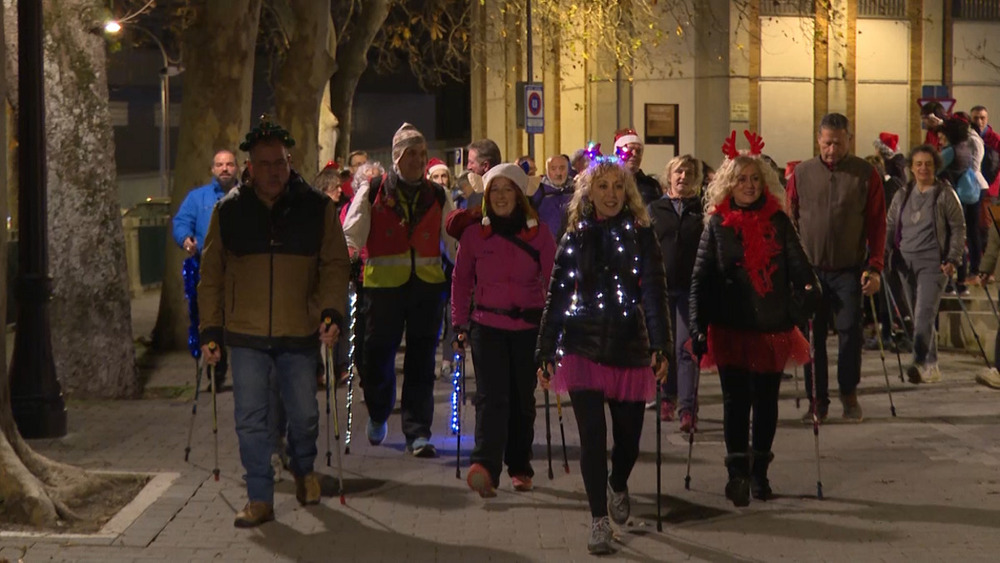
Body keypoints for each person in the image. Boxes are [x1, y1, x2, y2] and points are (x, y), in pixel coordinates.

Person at [199, 117, 350, 527]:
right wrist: (210, 330)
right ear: (249, 166)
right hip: (245, 334)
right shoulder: (227, 212)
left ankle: (303, 468)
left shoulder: (317, 208)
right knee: (251, 418)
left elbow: (336, 264)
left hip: (298, 331)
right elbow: (210, 274)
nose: (273, 171)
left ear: (290, 161)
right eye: (264, 164)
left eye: (279, 163)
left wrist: (332, 310)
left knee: (303, 415)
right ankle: (260, 496)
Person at [536, 158, 670, 555]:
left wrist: (659, 344)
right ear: (589, 193)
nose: (611, 194)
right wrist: (545, 348)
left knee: (627, 439)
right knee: (592, 438)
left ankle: (619, 481)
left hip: (629, 345)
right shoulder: (576, 235)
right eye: (603, 187)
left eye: (617, 186)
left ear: (626, 192)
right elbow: (557, 294)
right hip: (582, 346)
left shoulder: (643, 235)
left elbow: (654, 293)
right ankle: (598, 519)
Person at [690, 148, 819, 507]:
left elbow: (801, 270)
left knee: (765, 403)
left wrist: (804, 302)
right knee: (735, 403)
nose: (748, 186)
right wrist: (697, 326)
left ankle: (760, 470)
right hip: (731, 326)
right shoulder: (717, 225)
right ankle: (737, 474)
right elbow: (700, 279)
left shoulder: (778, 221)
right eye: (741, 179)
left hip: (771, 327)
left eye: (755, 179)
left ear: (765, 183)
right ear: (729, 184)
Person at [343, 123, 457, 458]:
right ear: (397, 157)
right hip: (382, 289)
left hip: (427, 287)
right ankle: (379, 410)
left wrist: (465, 263)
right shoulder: (374, 189)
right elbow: (352, 234)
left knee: (422, 361)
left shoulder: (437, 194)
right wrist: (346, 260)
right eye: (411, 154)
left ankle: (417, 433)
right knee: (376, 356)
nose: (418, 160)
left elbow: (450, 238)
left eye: (422, 154)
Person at [452, 163, 556, 497]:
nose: (499, 197)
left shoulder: (538, 233)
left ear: (519, 194)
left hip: (528, 326)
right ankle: (485, 466)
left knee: (522, 401)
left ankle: (520, 466)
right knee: (491, 398)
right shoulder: (474, 235)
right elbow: (462, 280)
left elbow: (554, 280)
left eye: (506, 189)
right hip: (487, 325)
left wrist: (554, 327)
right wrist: (459, 322)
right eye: (494, 190)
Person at [787, 112, 886, 423]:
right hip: (810, 269)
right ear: (818, 140)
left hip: (848, 269)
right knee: (811, 338)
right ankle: (818, 400)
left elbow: (877, 224)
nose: (832, 150)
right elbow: (790, 222)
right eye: (827, 143)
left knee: (849, 333)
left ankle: (848, 393)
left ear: (849, 141)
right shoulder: (801, 174)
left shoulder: (865, 174)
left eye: (839, 144)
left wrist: (875, 266)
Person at [885, 145, 965, 384]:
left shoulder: (944, 194)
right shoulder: (903, 193)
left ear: (935, 166)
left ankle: (920, 363)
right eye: (918, 164)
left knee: (923, 313)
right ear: (911, 167)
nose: (923, 168)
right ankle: (931, 364)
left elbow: (959, 228)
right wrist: (885, 252)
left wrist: (952, 258)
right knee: (915, 313)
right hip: (904, 264)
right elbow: (890, 225)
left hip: (933, 263)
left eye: (928, 164)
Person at [173, 149, 239, 389]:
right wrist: (185, 238)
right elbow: (181, 222)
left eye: (229, 164)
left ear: (237, 168)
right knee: (211, 319)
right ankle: (216, 372)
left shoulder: (246, 196)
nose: (224, 169)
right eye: (220, 165)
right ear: (212, 169)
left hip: (240, 269)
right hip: (207, 267)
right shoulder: (197, 198)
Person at [648, 154, 704, 429]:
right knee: (663, 347)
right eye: (678, 172)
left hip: (689, 290)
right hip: (661, 287)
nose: (683, 177)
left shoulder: (701, 210)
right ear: (669, 176)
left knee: (686, 348)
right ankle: (665, 396)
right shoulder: (655, 209)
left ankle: (687, 408)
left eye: (689, 173)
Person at [938, 115, 987, 294]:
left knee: (952, 240)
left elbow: (934, 166)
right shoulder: (966, 147)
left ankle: (951, 283)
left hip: (952, 198)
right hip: (967, 196)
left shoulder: (951, 150)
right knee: (963, 238)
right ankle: (961, 282)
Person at [530, 154, 574, 240]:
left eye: (562, 168)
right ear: (547, 171)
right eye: (553, 169)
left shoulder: (575, 190)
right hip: (546, 242)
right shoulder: (537, 191)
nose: (558, 173)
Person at [614, 128, 660, 205]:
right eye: (629, 150)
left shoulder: (651, 185)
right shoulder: (610, 183)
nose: (634, 154)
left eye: (638, 151)